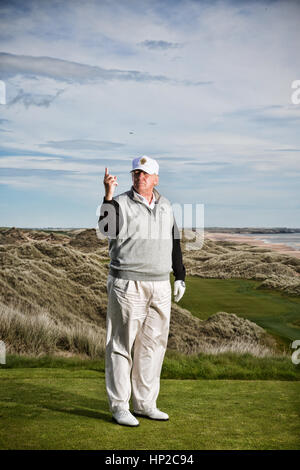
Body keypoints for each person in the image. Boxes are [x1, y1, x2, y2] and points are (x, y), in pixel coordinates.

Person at [98, 155, 186, 427]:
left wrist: (180, 276)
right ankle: (120, 407)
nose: (140, 177)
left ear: (156, 178)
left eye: (145, 173)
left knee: (152, 346)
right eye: (136, 173)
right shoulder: (120, 202)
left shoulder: (167, 206)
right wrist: (108, 195)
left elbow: (175, 243)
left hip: (159, 284)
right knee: (121, 345)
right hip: (127, 283)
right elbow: (105, 230)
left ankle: (145, 404)